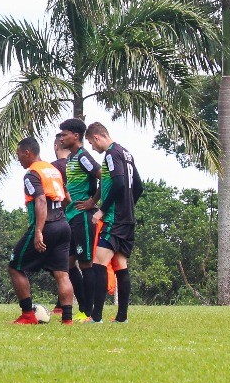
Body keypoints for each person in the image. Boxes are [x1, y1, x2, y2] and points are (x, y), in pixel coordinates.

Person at [8, 138, 74, 325]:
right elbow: (66, 199)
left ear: (27, 152)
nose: (18, 159)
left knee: (15, 266)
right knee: (62, 273)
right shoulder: (53, 170)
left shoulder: (32, 174)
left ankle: (28, 315)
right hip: (63, 224)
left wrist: (38, 231)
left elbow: (41, 200)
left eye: (19, 154)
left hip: (47, 226)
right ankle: (67, 319)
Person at [84, 122, 142, 323]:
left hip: (114, 219)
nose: (92, 147)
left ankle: (96, 317)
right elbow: (139, 187)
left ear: (98, 137)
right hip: (127, 219)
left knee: (99, 263)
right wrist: (128, 206)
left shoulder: (111, 154)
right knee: (119, 263)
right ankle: (121, 318)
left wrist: (102, 210)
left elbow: (118, 183)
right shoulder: (126, 153)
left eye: (91, 143)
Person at [58, 118, 101, 318]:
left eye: (64, 134)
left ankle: (90, 312)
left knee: (86, 263)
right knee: (67, 263)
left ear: (76, 136)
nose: (61, 138)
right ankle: (84, 307)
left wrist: (92, 201)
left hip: (84, 216)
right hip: (72, 215)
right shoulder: (71, 159)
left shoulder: (84, 157)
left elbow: (104, 175)